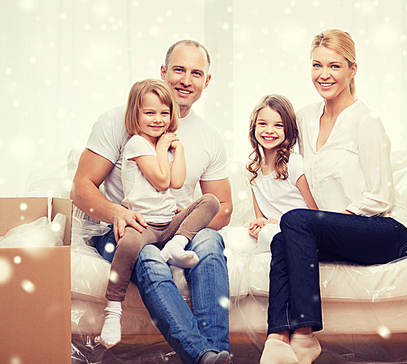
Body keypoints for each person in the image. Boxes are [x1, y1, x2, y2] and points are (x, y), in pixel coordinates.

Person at [71, 40, 233, 364]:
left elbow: (224, 207)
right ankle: (201, 356)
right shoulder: (120, 120)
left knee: (211, 241)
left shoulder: (209, 136)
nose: (186, 80)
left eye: (196, 73)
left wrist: (185, 220)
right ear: (163, 72)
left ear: (207, 81)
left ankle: (216, 352)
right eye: (179, 70)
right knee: (147, 255)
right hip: (124, 229)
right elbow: (81, 187)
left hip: (172, 227)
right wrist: (117, 212)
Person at [260, 29, 407, 364]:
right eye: (317, 65)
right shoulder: (304, 118)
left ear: (352, 69)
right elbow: (281, 162)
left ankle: (304, 335)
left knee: (295, 222)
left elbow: (380, 197)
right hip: (332, 228)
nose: (324, 75)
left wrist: (325, 224)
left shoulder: (366, 120)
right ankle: (277, 338)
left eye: (334, 66)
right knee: (282, 237)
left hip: (385, 229)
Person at [100, 79, 220, 349]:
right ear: (136, 115)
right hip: (143, 226)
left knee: (210, 201)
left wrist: (180, 150)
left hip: (168, 224)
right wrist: (163, 148)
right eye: (149, 113)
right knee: (128, 244)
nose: (158, 120)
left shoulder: (163, 144)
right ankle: (113, 310)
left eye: (164, 113)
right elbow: (161, 181)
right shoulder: (137, 145)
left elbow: (177, 183)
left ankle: (176, 246)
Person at [245, 94, 317, 251]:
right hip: (272, 231)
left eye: (278, 125)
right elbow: (261, 217)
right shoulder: (253, 171)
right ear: (254, 127)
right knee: (233, 239)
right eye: (263, 123)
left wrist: (281, 224)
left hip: (298, 230)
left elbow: (314, 212)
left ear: (288, 130)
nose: (269, 131)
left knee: (273, 235)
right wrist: (258, 225)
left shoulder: (294, 164)